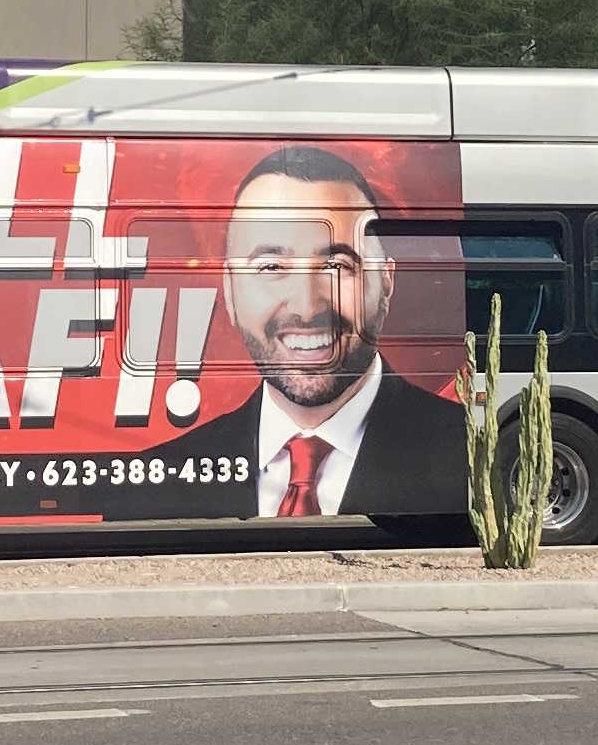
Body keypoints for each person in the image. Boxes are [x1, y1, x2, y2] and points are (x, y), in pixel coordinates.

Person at [179, 144, 466, 518]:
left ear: (386, 281)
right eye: (270, 267)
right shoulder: (157, 484)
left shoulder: (469, 450)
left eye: (336, 265)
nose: (306, 306)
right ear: (229, 290)